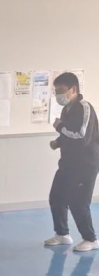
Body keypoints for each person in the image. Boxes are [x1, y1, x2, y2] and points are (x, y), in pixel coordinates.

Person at [45, 72, 99, 252]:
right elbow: (69, 134)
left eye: (61, 90)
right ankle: (62, 234)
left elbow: (81, 136)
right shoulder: (66, 109)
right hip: (68, 163)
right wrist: (58, 142)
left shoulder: (84, 107)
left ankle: (91, 239)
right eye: (56, 91)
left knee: (78, 202)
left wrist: (60, 127)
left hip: (85, 164)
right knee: (56, 197)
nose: (58, 95)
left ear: (73, 90)